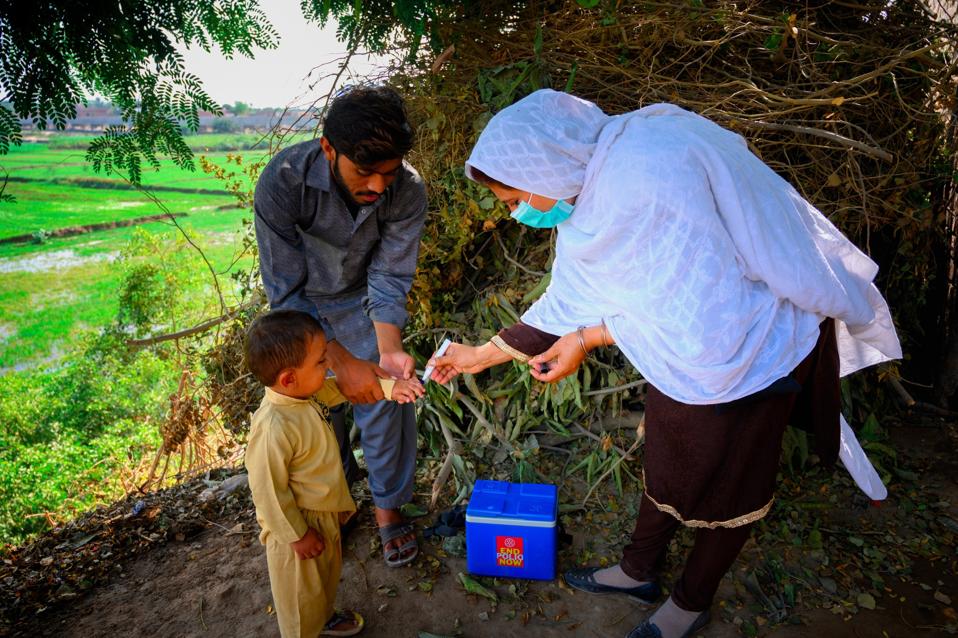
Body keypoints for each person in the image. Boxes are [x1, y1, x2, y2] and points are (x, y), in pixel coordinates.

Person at [428, 89, 901, 638]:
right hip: (682, 362)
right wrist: (483, 354)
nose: (515, 213)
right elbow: (588, 297)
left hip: (749, 356)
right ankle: (637, 572)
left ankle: (689, 603)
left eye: (512, 198)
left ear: (544, 163)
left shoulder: (649, 171)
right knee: (670, 462)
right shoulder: (593, 194)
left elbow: (702, 297)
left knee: (731, 490)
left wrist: (580, 338)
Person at [254, 85, 427, 566]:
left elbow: (390, 275)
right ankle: (338, 501)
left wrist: (385, 351)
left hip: (365, 303)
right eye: (363, 172)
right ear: (329, 147)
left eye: (387, 175)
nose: (376, 186)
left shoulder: (407, 191)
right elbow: (285, 289)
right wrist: (341, 361)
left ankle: (389, 507)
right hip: (299, 308)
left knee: (386, 399)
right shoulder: (283, 182)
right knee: (313, 411)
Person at [244, 309, 424, 638]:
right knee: (300, 597)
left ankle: (323, 618)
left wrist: (390, 388)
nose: (328, 366)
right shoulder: (272, 428)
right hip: (297, 528)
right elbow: (268, 492)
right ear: (288, 378)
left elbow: (345, 389)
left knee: (324, 580)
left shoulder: (305, 394)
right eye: (320, 362)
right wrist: (297, 535)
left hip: (323, 517)